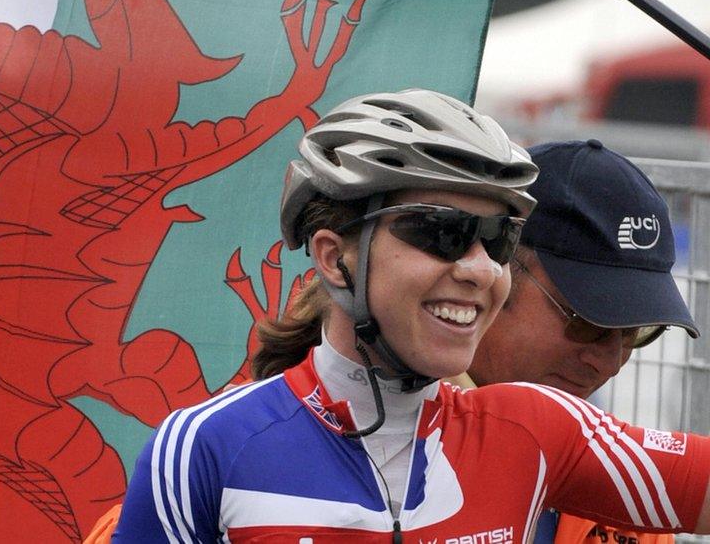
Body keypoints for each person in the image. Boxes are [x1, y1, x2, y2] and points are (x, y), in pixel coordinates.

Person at [113, 89, 710, 542]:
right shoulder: (202, 449)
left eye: (497, 240)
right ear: (333, 256)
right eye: (442, 232)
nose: (480, 269)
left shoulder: (540, 428)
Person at [449, 139, 701, 544]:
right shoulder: (377, 453)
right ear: (493, 272)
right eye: (587, 320)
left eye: (636, 331)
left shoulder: (631, 502)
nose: (608, 362)